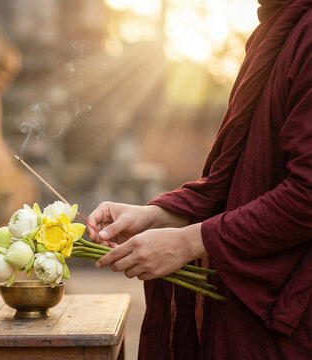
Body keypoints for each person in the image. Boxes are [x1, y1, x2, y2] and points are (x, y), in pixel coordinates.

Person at [86, 1, 312, 359]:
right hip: (248, 304)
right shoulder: (275, 30)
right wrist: (158, 215)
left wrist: (189, 242)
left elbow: (306, 196)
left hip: (289, 308)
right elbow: (243, 181)